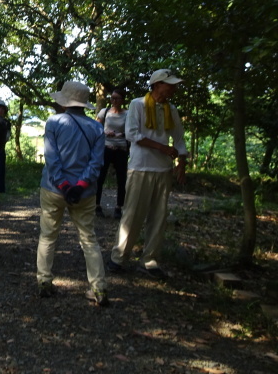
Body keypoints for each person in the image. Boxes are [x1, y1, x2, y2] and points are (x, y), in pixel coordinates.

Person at [108, 69, 188, 279]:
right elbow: (132, 134)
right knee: (132, 214)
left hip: (163, 170)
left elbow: (179, 138)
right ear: (156, 84)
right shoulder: (138, 104)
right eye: (169, 84)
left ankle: (150, 260)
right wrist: (163, 148)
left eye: (174, 84)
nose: (173, 88)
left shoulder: (171, 109)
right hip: (141, 166)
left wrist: (181, 162)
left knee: (158, 217)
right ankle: (118, 257)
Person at [36, 80, 108, 306]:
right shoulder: (97, 128)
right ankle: (99, 288)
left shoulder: (54, 122)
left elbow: (52, 158)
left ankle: (44, 282)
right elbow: (97, 164)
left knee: (48, 235)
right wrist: (79, 186)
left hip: (53, 189)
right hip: (84, 194)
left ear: (65, 102)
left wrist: (64, 185)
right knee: (89, 239)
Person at [96, 87, 129, 219]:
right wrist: (105, 132)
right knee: (100, 177)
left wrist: (122, 134)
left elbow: (132, 130)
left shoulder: (128, 113)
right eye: (112, 98)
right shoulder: (105, 112)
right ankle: (96, 205)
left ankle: (118, 207)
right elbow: (96, 127)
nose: (114, 101)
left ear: (122, 100)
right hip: (106, 147)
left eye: (116, 98)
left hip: (121, 149)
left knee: (121, 180)